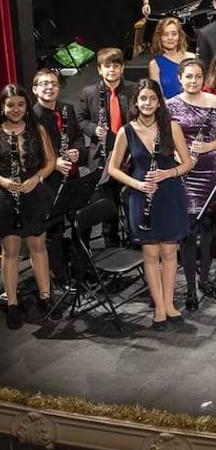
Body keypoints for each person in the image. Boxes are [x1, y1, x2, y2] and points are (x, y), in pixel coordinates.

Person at [106, 79, 194, 330]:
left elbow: (187, 163)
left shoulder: (172, 128)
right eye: (143, 98)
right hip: (141, 195)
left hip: (169, 194)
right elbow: (113, 169)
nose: (147, 103)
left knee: (169, 252)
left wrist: (168, 173)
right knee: (150, 253)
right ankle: (158, 307)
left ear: (159, 102)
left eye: (152, 99)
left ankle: (169, 304)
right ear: (136, 101)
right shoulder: (126, 131)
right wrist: (138, 185)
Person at [166, 58, 216, 312]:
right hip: (185, 174)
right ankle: (191, 289)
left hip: (212, 173)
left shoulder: (214, 102)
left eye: (198, 76)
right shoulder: (169, 106)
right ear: (180, 79)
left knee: (208, 230)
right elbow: (164, 139)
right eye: (189, 76)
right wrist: (177, 156)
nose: (194, 81)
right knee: (189, 233)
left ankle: (205, 279)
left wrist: (208, 146)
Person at [1, 85, 57, 329]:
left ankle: (46, 296)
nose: (16, 109)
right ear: (2, 107)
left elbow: (51, 161)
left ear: (26, 105)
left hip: (33, 192)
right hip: (5, 196)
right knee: (10, 249)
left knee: (37, 244)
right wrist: (4, 181)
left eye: (21, 105)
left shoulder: (37, 128)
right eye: (10, 105)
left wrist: (36, 178)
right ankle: (12, 302)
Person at [76, 48, 137, 246]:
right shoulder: (89, 92)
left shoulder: (133, 89)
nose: (112, 70)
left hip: (129, 154)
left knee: (131, 201)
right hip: (102, 155)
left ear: (123, 68)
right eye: (107, 66)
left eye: (116, 65)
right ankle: (112, 246)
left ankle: (134, 241)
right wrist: (94, 130)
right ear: (100, 70)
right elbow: (80, 119)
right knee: (107, 203)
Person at [30, 70, 83, 284]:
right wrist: (53, 164)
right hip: (49, 184)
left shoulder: (67, 109)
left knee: (80, 225)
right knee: (55, 232)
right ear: (35, 90)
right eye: (44, 84)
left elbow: (78, 137)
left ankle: (79, 272)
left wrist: (76, 150)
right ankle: (60, 277)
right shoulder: (32, 118)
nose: (50, 87)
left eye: (53, 83)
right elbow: (32, 155)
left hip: (72, 178)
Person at [147, 17, 195, 99]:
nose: (170, 38)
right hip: (169, 109)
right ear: (159, 37)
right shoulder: (155, 64)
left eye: (174, 34)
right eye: (165, 34)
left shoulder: (193, 58)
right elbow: (159, 97)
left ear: (179, 36)